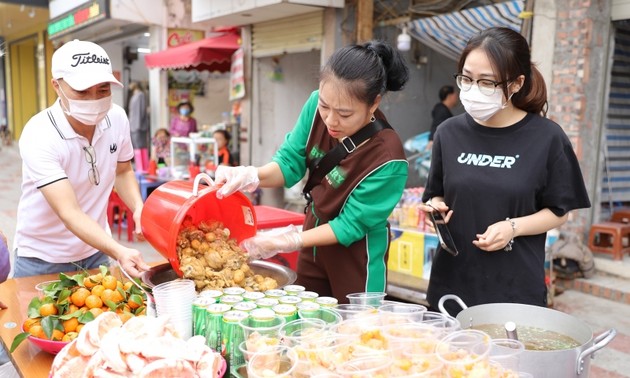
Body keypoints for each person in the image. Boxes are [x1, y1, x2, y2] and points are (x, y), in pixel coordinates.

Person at [215, 41, 410, 303]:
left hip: (356, 254)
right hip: (313, 241)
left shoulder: (388, 157)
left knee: (355, 330)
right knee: (309, 322)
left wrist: (288, 240)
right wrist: (252, 175)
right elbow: (290, 163)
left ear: (373, 104)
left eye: (344, 113)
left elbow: (351, 225)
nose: (330, 120)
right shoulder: (314, 105)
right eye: (325, 106)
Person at [420, 27, 590, 315]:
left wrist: (513, 227)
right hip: (452, 285)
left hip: (515, 290)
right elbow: (435, 195)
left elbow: (560, 212)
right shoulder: (448, 133)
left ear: (516, 83)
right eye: (466, 78)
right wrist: (435, 209)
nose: (473, 89)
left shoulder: (547, 138)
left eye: (486, 82)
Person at [13, 39, 151, 278]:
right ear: (57, 86)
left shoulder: (117, 117)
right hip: (42, 258)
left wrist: (139, 207)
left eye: (103, 90)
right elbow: (69, 212)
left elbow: (122, 171)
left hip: (96, 250)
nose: (94, 100)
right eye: (82, 91)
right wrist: (119, 250)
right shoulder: (40, 133)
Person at [127, 81, 150, 173]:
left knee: (140, 146)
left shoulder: (140, 95)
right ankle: (140, 167)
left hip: (138, 126)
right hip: (133, 125)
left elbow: (140, 111)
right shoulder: (135, 95)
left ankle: (143, 167)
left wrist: (138, 125)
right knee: (136, 146)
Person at [427, 85, 458, 150]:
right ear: (450, 96)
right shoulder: (442, 111)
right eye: (455, 95)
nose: (457, 97)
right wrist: (432, 140)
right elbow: (437, 124)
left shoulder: (440, 109)